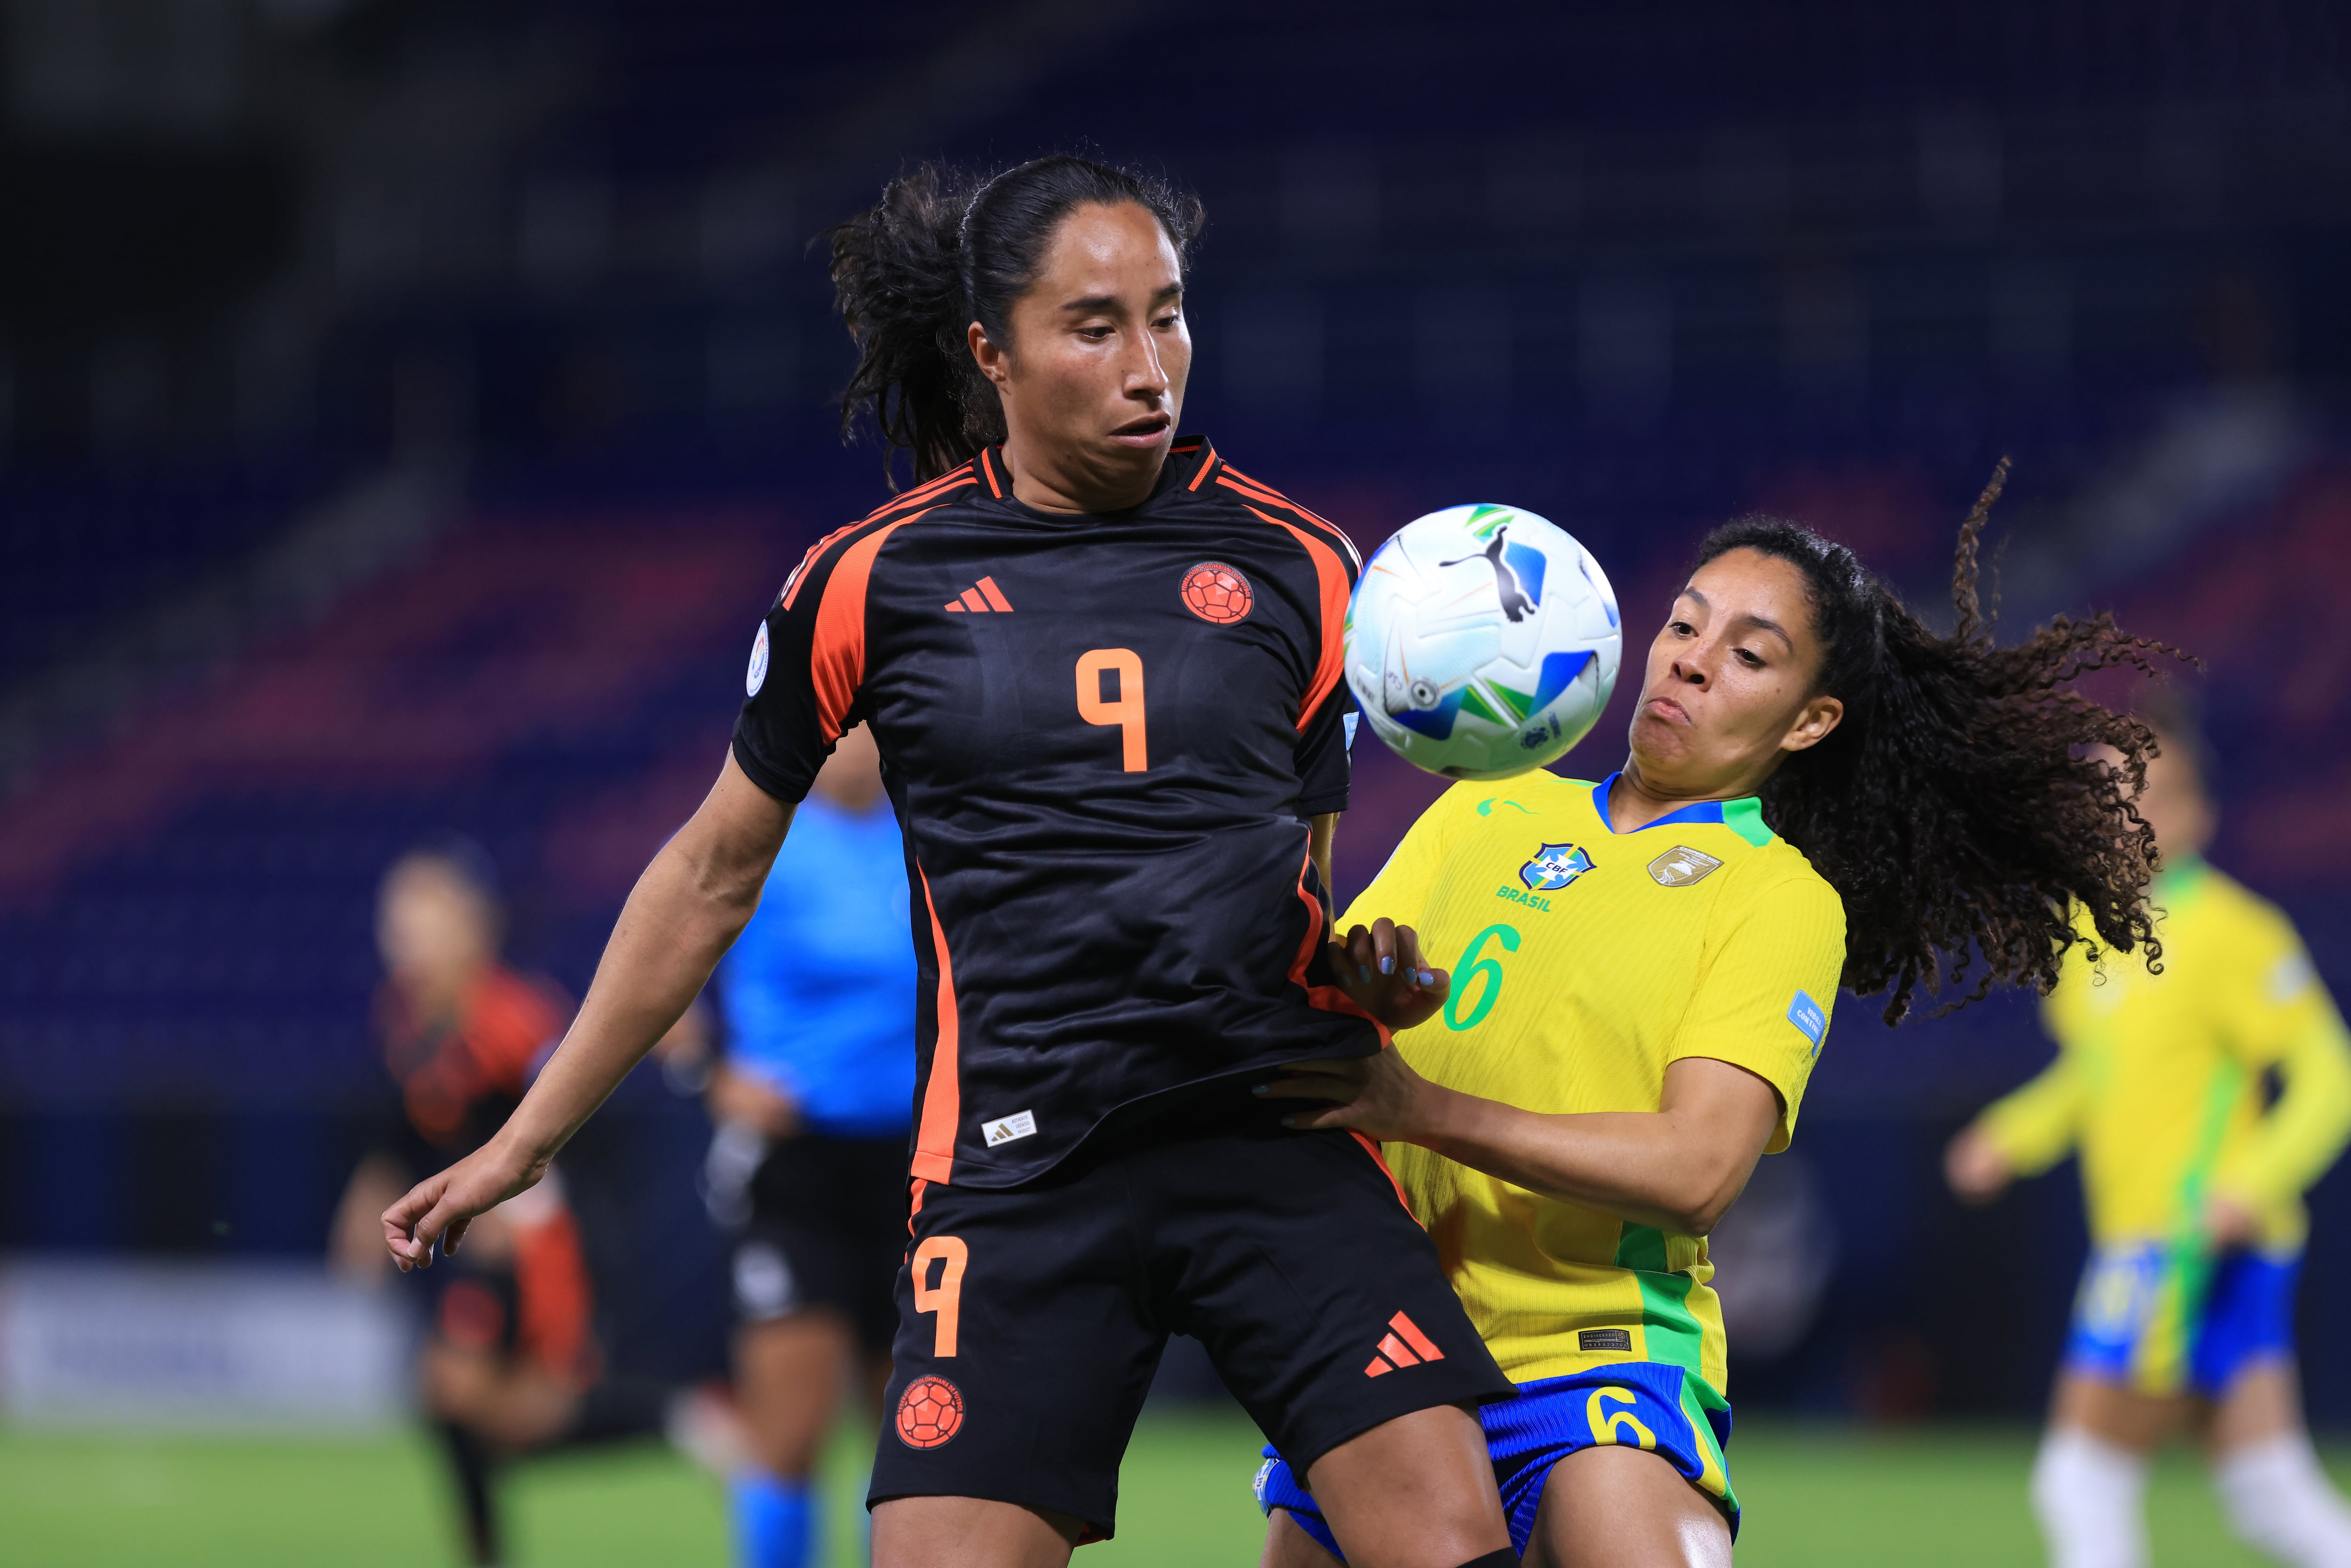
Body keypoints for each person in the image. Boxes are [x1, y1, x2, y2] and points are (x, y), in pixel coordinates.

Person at [379, 155, 1523, 1568]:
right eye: (1095, 326)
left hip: (1272, 1142)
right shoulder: (871, 580)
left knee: (1453, 1537)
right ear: (992, 352)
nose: (1150, 364)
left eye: (1168, 315)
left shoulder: (1308, 569)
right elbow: (708, 876)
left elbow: (1307, 883)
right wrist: (523, 1139)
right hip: (1019, 1174)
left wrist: (1370, 977)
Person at [1250, 476, 2182, 1568]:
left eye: (1748, 654)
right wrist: (1363, 989)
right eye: (1684, 623)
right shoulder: (1484, 805)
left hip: (1587, 1359)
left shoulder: (1777, 896)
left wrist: (1422, 1107)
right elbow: (1305, 1001)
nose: (1690, 658)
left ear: (1811, 720)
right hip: (1386, 1349)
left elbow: (1696, 1168)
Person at [1946, 701, 2351, 1568]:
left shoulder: (2234, 935)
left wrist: (2253, 1183)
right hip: (2153, 1241)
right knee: (2268, 1493)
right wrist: (2011, 1136)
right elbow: (2093, 1077)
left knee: (2080, 1481)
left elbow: (2330, 1076)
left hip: (2184, 1242)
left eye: (2145, 798)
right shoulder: (2089, 934)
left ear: (2196, 814)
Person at [333, 842, 705, 1566]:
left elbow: (570, 1127)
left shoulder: (515, 1018)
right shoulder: (406, 1022)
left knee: (478, 1400)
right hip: (465, 1238)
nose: (404, 940)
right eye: (396, 922)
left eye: (420, 920)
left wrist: (523, 1209)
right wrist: (368, 1195)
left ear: (472, 927)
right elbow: (405, 1131)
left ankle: (675, 1417)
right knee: (461, 1406)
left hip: (535, 1240)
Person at [704, 720, 915, 1568]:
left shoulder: (925, 834)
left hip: (914, 1164)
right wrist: (715, 1077)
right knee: (790, 1432)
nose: (856, 746)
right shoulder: (767, 838)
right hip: (799, 1163)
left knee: (910, 1441)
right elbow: (664, 962)